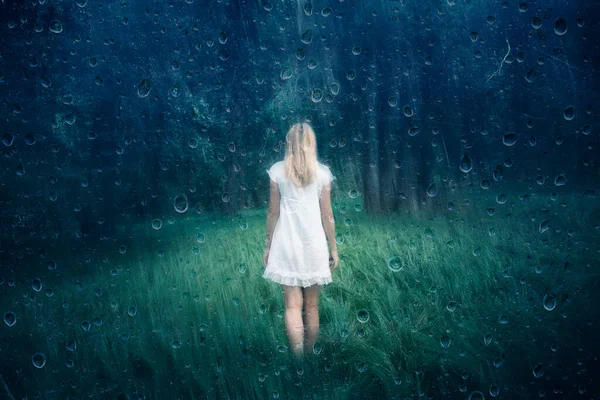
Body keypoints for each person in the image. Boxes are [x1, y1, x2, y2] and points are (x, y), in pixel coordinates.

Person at [262, 122, 339, 360]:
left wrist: (267, 244)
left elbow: (273, 212)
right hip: (314, 244)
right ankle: (311, 358)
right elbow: (328, 215)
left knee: (292, 306)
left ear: (289, 143)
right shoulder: (323, 173)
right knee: (312, 307)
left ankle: (298, 361)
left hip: (286, 243)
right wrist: (334, 248)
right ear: (311, 144)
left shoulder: (277, 171)